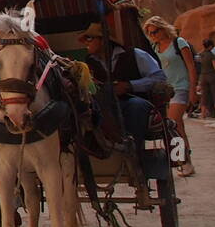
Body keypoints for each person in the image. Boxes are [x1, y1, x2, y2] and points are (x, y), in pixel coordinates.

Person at [78, 23, 166, 167]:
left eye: (89, 39)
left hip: (133, 100)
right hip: (103, 104)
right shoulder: (88, 62)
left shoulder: (134, 54)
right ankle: (101, 146)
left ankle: (134, 151)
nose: (86, 44)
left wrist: (129, 85)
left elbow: (159, 77)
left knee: (136, 107)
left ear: (103, 40)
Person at [145, 16, 198, 176]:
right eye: (149, 33)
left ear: (163, 29)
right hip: (166, 91)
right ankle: (182, 160)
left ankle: (184, 160)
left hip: (181, 87)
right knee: (175, 125)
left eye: (155, 31)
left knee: (173, 123)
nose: (153, 35)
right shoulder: (154, 48)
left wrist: (193, 91)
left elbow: (191, 66)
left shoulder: (179, 43)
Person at [193, 39, 215, 120]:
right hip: (212, 76)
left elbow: (196, 58)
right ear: (210, 46)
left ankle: (203, 114)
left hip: (203, 77)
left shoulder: (201, 55)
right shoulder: (212, 55)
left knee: (204, 96)